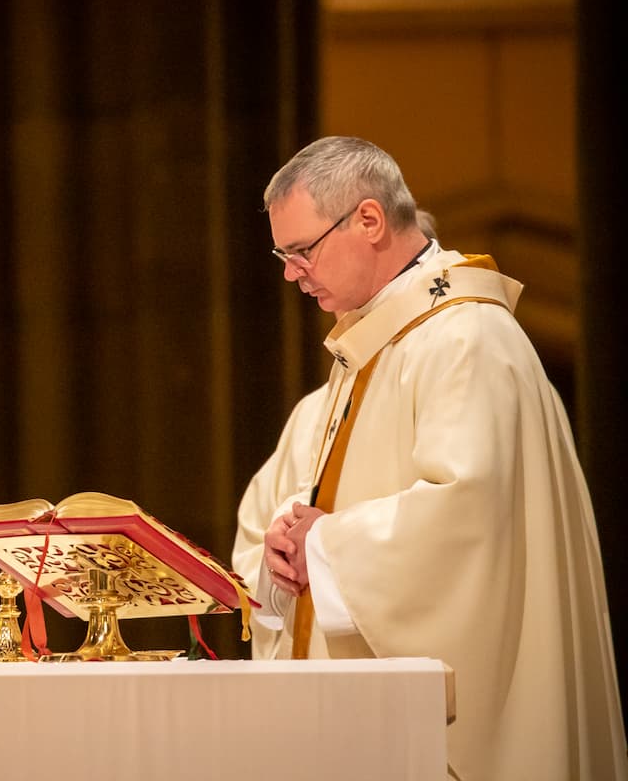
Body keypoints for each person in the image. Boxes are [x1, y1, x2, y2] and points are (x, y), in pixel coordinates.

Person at [251, 136, 625, 780]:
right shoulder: (374, 349)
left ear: (368, 220)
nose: (291, 273)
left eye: (302, 251)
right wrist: (285, 546)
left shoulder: (465, 339)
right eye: (282, 255)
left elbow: (469, 518)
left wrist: (326, 546)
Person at [232, 209, 438, 661]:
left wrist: (326, 543)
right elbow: (252, 549)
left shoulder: (448, 358)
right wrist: (279, 555)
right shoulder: (311, 412)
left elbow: (455, 526)